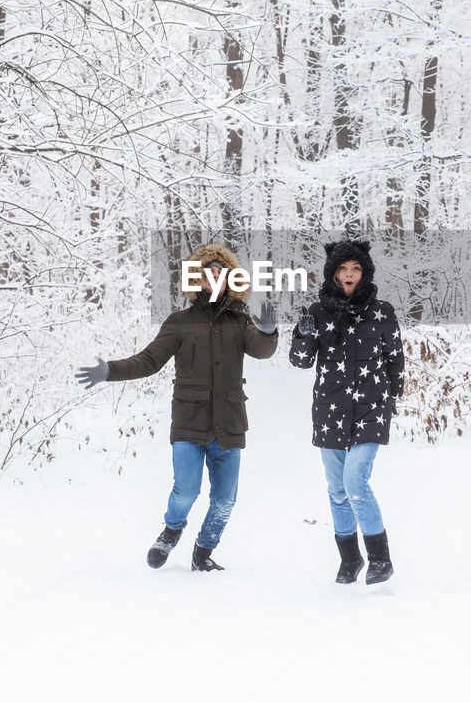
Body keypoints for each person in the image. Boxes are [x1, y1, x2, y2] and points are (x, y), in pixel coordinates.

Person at [76, 243, 278, 571]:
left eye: (221, 273)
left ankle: (203, 551)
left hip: (229, 424)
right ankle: (171, 531)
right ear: (198, 279)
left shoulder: (240, 322)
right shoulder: (180, 322)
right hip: (189, 421)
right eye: (209, 273)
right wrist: (110, 370)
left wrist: (269, 333)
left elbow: (262, 350)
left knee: (225, 500)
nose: (215, 278)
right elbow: (149, 360)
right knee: (186, 492)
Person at [289, 239, 405, 585]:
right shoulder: (318, 312)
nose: (349, 274)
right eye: (343, 269)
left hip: (372, 408)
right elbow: (301, 361)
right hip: (330, 409)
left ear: (364, 272)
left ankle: (380, 559)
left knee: (355, 482)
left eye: (355, 268)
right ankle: (350, 560)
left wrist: (392, 399)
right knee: (337, 489)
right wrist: (301, 335)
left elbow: (395, 358)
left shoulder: (382, 311)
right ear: (334, 273)